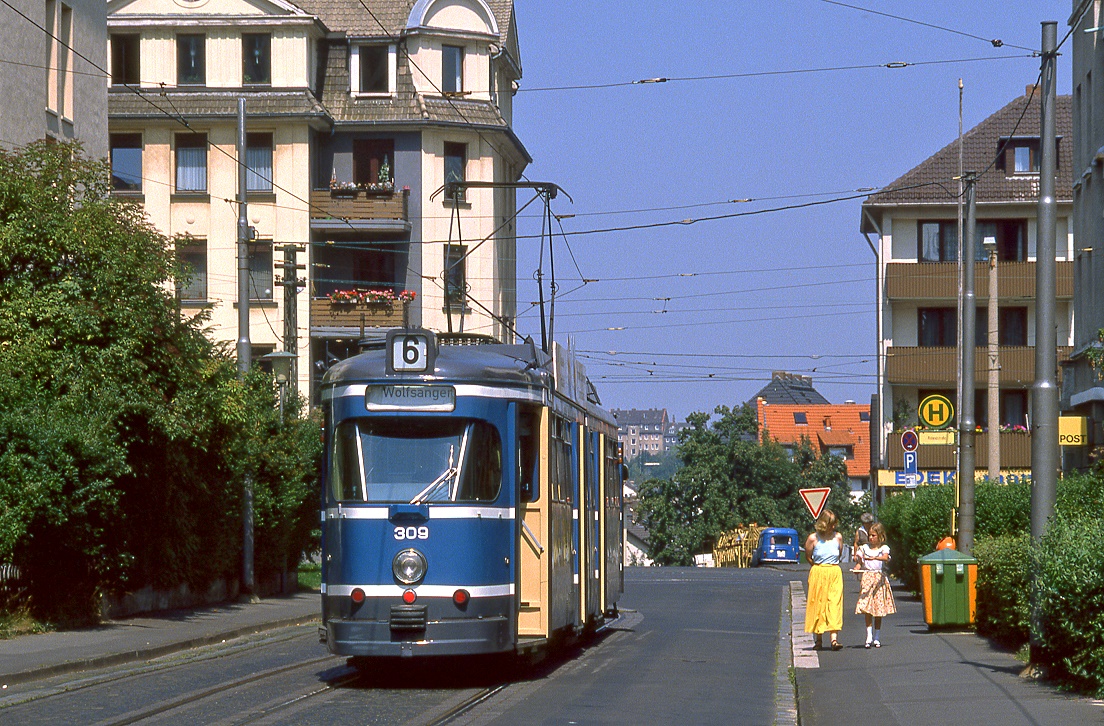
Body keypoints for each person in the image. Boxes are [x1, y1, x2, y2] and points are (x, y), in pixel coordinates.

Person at [804, 509, 844, 650]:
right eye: (830, 524)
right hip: (818, 571)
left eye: (834, 524)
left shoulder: (837, 537)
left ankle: (834, 639)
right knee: (818, 604)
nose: (833, 527)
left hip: (834, 571)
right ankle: (819, 640)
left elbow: (839, 553)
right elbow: (808, 556)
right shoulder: (813, 538)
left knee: (834, 604)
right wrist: (816, 567)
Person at [852, 522, 896, 648]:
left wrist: (875, 558)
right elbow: (860, 562)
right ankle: (869, 635)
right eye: (869, 535)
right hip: (867, 578)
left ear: (880, 536)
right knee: (867, 607)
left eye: (873, 535)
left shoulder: (883, 549)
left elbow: (885, 557)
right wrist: (857, 567)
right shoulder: (864, 548)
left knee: (878, 608)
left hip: (878, 580)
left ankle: (877, 636)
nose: (871, 538)